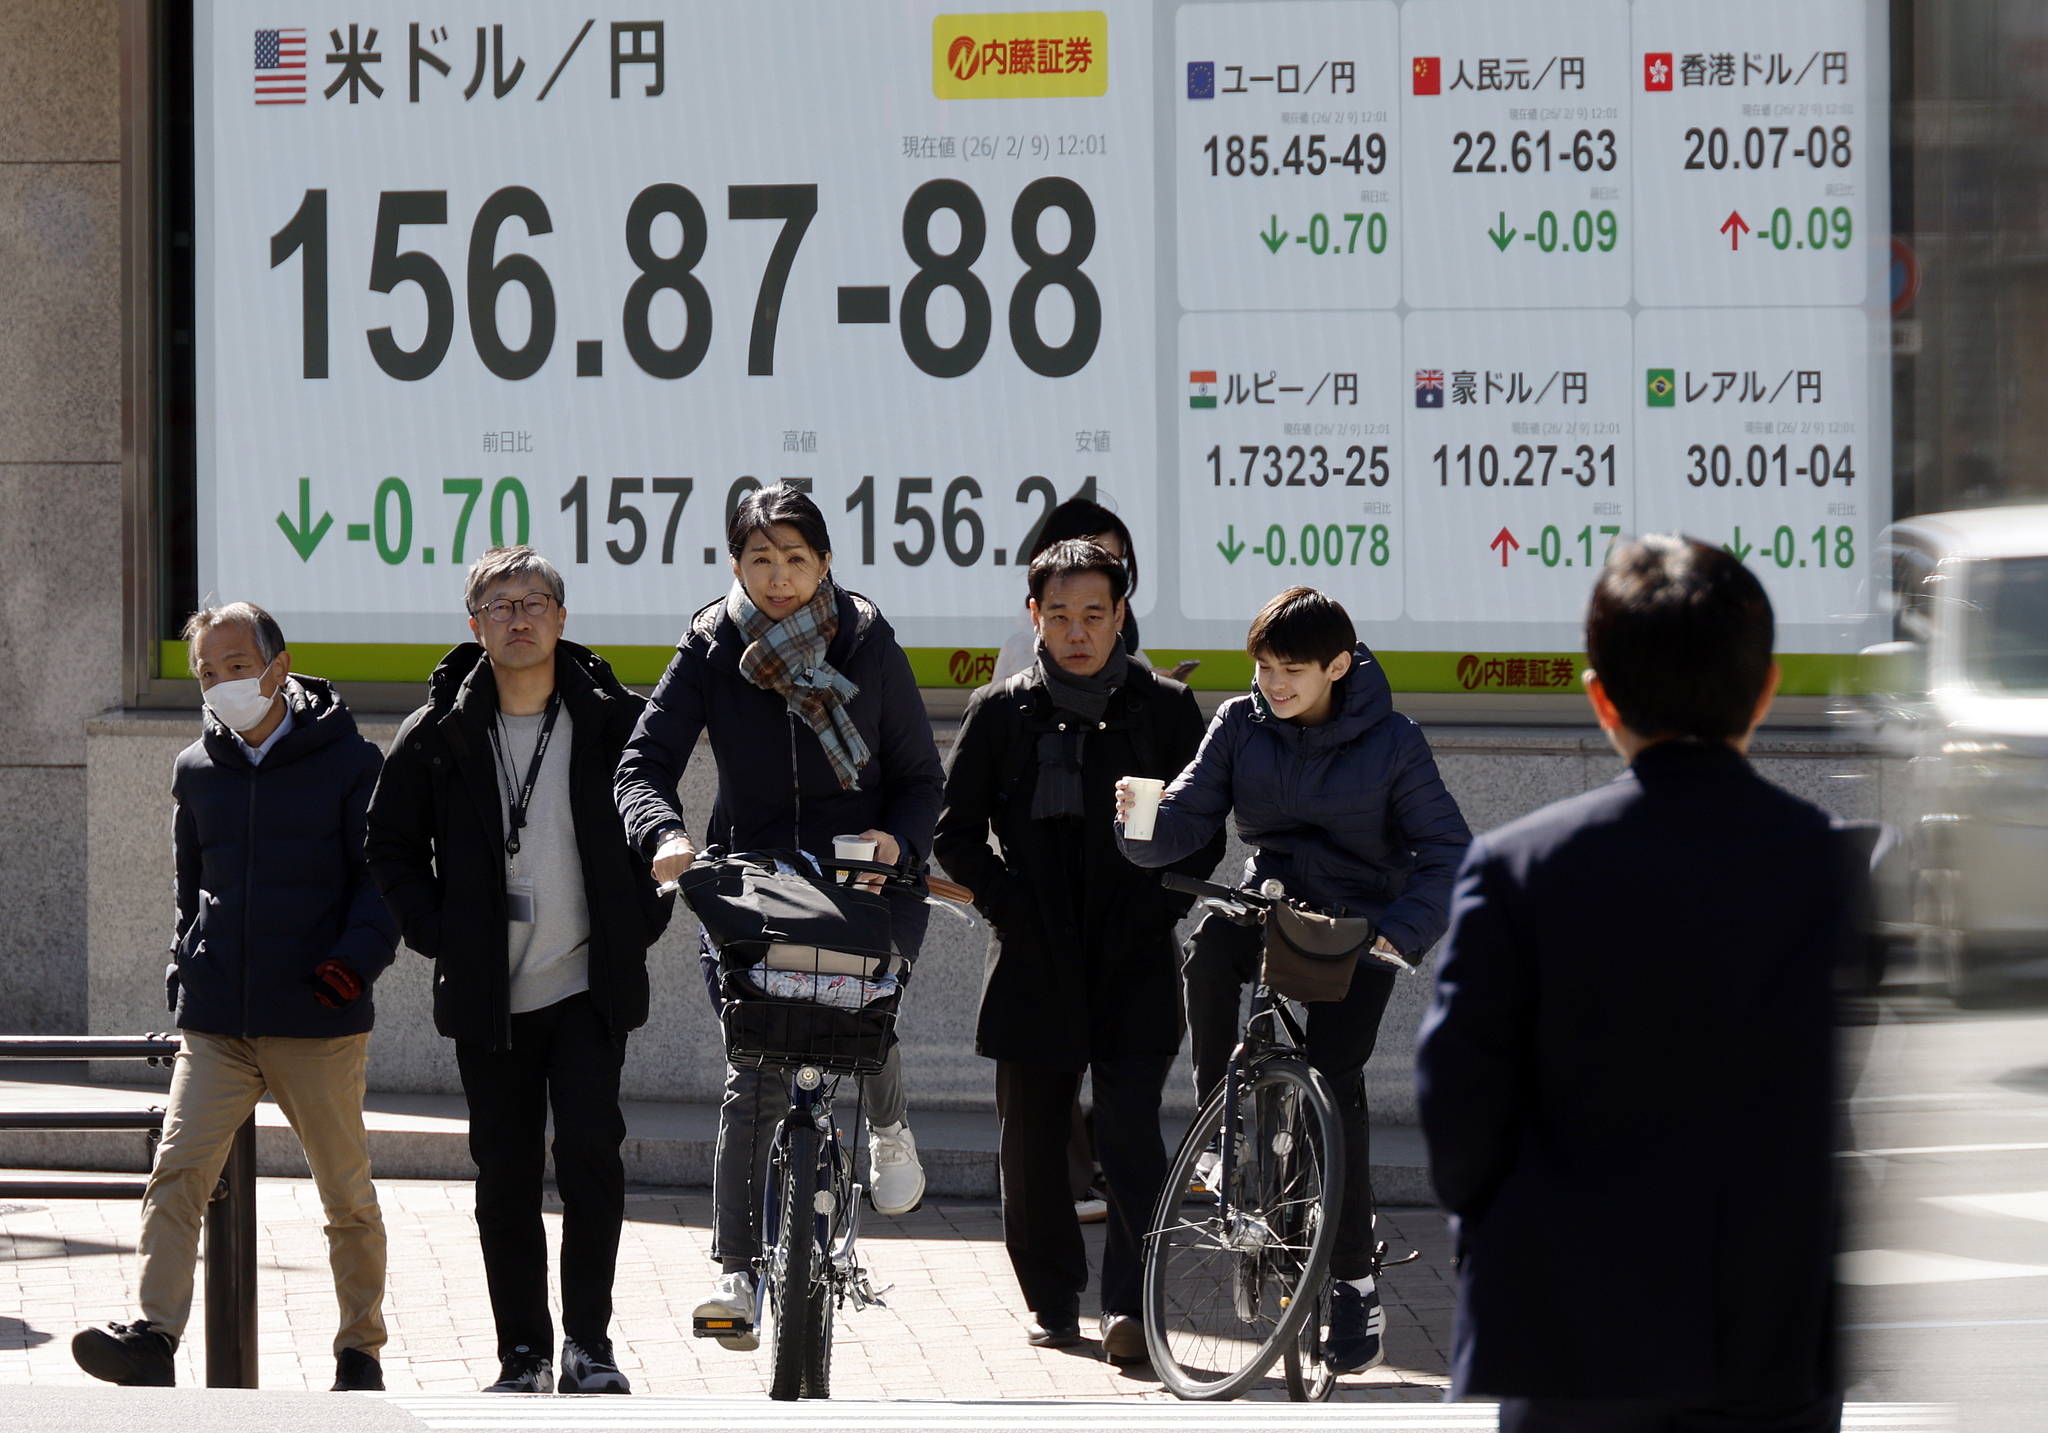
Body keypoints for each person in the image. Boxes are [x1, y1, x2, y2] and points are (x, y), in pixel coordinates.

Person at [1416, 537, 1862, 1432]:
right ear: (1767, 688)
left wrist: (1510, 1237)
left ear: (1601, 697)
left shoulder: (1517, 868)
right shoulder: (1835, 866)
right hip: (1773, 1337)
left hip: (1572, 1331)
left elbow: (1459, 1106)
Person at [613, 486, 944, 1351]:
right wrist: (665, 834)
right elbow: (643, 762)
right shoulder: (712, 644)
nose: (780, 576)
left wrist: (897, 842)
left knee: (863, 1007)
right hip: (752, 882)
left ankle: (890, 1123)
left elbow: (919, 778)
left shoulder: (868, 641)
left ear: (825, 562)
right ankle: (736, 1270)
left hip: (865, 879)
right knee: (754, 1062)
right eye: (760, 559)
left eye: (796, 558)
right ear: (735, 565)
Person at [1115, 587, 1471, 1376]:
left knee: (1335, 1083)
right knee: (1208, 947)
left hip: (1360, 925)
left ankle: (1351, 1280)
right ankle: (1226, 1122)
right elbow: (1183, 820)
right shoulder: (1239, 724)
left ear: (1338, 666)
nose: (1274, 684)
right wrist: (1140, 820)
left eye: (1293, 670)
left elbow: (1448, 852)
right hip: (1269, 899)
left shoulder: (1395, 741)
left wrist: (1398, 931)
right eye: (1265, 667)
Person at [365, 547, 671, 1395]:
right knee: (504, 1174)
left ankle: (590, 1345)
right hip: (491, 992)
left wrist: (639, 919)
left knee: (590, 1154)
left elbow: (658, 824)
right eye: (500, 604)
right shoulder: (439, 731)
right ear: (475, 625)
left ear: (563, 618)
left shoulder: (617, 721)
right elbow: (386, 845)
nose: (520, 616)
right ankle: (524, 1354)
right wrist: (441, 933)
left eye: (536, 601)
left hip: (586, 983)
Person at [73, 603, 397, 1392]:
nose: (222, 683)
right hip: (219, 1021)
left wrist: (348, 968)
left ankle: (360, 1350)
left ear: (279, 667)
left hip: (317, 1017)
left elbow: (380, 884)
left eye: (235, 665)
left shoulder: (351, 761)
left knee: (345, 1195)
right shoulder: (195, 769)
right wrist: (187, 968)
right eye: (207, 672)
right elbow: (191, 890)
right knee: (177, 1171)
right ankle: (153, 1337)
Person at [933, 540, 1225, 1358]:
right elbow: (955, 835)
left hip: (1134, 951)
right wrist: (1008, 906)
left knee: (1130, 1128)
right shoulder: (1001, 710)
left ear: (1121, 616)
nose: (1077, 630)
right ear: (1034, 616)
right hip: (1033, 954)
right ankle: (1055, 1298)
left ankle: (1131, 1303)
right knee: (1032, 1140)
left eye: (1094, 613)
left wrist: (1155, 900)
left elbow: (1203, 829)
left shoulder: (1164, 708)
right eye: (1058, 613)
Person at [993, 498, 1149, 680]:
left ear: (1119, 614)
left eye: (1116, 563)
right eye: (1093, 562)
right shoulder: (1022, 649)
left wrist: (1154, 693)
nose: (1077, 636)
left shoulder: (1127, 640)